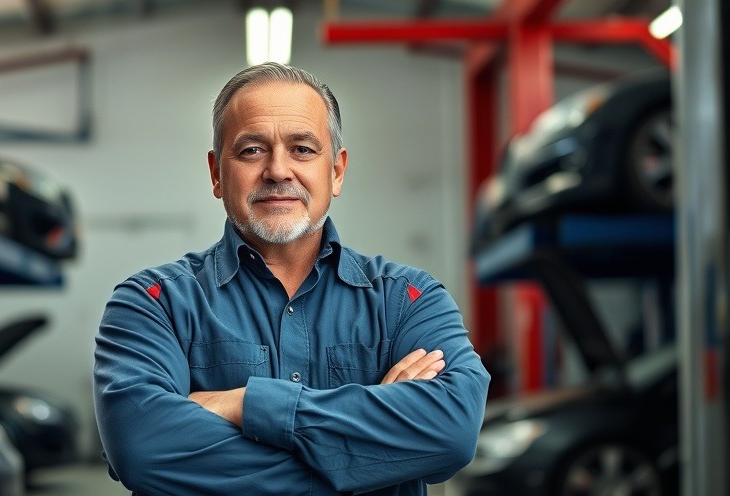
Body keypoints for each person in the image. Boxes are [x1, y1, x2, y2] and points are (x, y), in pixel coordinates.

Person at [93, 62, 490, 495]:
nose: (278, 170)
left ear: (336, 171)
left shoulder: (408, 300)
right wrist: (373, 456)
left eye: (302, 149)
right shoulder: (154, 303)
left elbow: (451, 431)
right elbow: (143, 449)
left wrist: (244, 403)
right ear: (216, 174)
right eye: (251, 150)